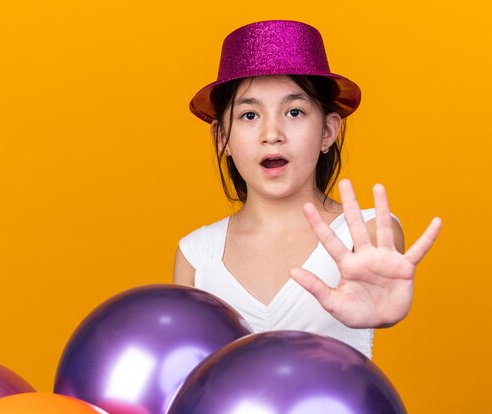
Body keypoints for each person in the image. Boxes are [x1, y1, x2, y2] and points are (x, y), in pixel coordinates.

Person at [174, 20, 441, 358]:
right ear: (222, 138)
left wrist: (380, 309)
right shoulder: (197, 257)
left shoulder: (364, 236)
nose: (272, 133)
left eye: (295, 111)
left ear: (328, 132)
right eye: (249, 115)